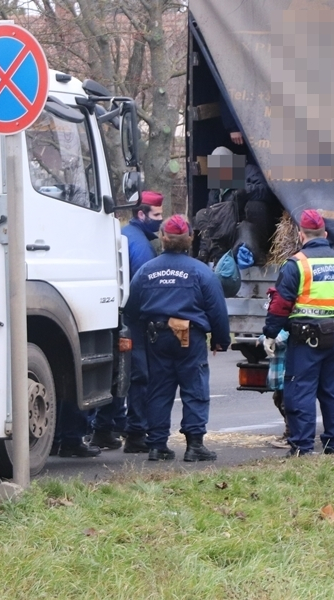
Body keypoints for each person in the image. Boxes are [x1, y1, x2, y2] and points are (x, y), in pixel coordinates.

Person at [124, 215, 231, 462]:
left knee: (159, 389)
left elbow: (131, 310)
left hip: (156, 337)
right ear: (189, 239)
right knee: (194, 388)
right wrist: (220, 340)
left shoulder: (146, 271)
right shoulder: (200, 272)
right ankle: (194, 445)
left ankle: (157, 445)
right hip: (188, 336)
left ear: (163, 238)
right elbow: (217, 309)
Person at [262, 209, 334, 456]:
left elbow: (281, 303)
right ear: (324, 234)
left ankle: (302, 447)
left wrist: (270, 333)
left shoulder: (298, 264)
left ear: (300, 234)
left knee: (300, 391)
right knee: (333, 392)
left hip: (305, 340)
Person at [89, 190, 164, 452]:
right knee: (138, 376)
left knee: (114, 374)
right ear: (141, 214)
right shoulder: (142, 246)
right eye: (157, 215)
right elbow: (146, 286)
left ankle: (103, 428)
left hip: (112, 313)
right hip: (135, 319)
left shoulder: (121, 234)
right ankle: (136, 433)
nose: (160, 220)